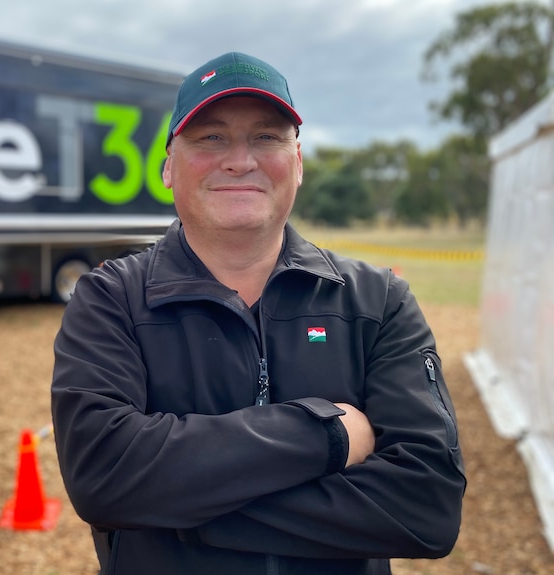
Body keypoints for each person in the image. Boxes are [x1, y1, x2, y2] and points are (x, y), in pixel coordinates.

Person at [50, 51, 465, 575]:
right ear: (168, 168)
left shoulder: (378, 302)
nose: (239, 160)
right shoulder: (111, 299)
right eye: (211, 137)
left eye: (266, 137)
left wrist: (178, 508)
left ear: (298, 164)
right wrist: (328, 434)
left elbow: (427, 509)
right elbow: (104, 476)